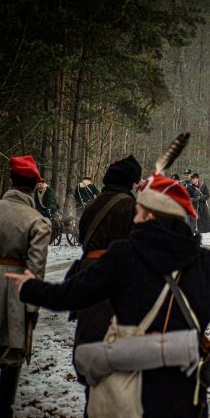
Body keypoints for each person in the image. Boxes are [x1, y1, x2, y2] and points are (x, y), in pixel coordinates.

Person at [5, 172, 210, 418]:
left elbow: (69, 296)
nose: (134, 215)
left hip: (130, 394)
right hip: (186, 399)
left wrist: (27, 286)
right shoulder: (208, 264)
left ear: (150, 214)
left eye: (139, 210)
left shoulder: (122, 256)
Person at [0, 155, 51, 418]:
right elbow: (36, 267)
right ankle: (4, 411)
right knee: (13, 350)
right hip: (18, 284)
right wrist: (33, 306)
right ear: (34, 185)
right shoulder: (38, 221)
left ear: (10, 181)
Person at [71, 156, 142, 387]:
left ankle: (91, 394)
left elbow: (83, 238)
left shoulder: (92, 205)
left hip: (87, 273)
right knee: (112, 336)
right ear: (130, 182)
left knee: (88, 333)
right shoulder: (131, 207)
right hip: (116, 276)